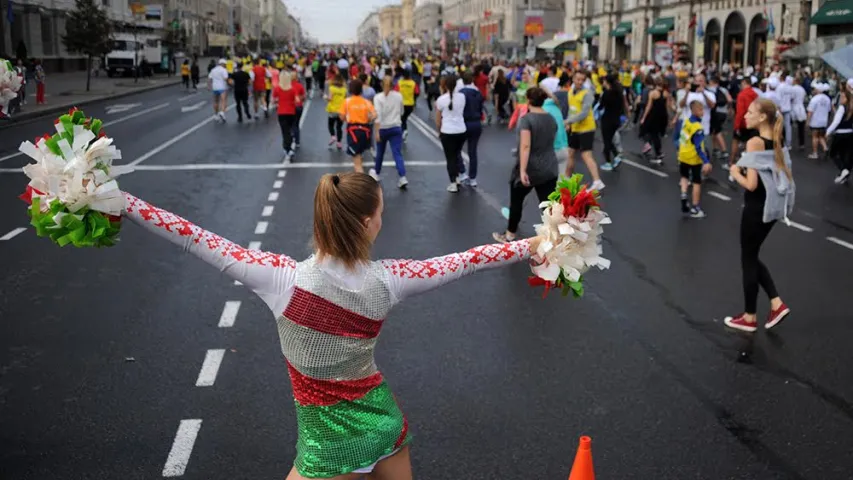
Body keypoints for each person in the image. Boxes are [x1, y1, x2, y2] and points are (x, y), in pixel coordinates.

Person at [120, 173, 540, 480]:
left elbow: (191, 235)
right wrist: (537, 244)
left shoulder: (279, 277)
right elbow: (469, 260)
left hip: (327, 448)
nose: (381, 221)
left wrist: (118, 199)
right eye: (380, 214)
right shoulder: (392, 279)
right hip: (384, 426)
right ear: (364, 223)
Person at [725, 98, 794, 332]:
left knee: (748, 259)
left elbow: (752, 184)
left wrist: (734, 171)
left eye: (750, 112)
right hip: (772, 207)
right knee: (752, 255)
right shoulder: (777, 139)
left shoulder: (754, 142)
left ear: (763, 117)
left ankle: (749, 316)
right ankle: (776, 303)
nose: (745, 115)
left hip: (756, 207)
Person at [492, 87, 560, 243]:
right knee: (548, 205)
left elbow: (525, 146)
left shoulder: (527, 120)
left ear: (529, 100)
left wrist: (522, 170)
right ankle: (555, 236)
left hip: (531, 167)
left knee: (516, 201)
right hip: (549, 166)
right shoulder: (551, 118)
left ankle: (510, 234)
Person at [564, 70, 605, 191]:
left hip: (587, 128)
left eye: (582, 80)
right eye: (578, 79)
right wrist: (569, 123)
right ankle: (566, 178)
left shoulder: (587, 94)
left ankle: (597, 181)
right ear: (573, 79)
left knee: (586, 155)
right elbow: (572, 109)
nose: (580, 82)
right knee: (570, 153)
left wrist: (567, 121)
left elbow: (584, 113)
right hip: (575, 128)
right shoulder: (571, 91)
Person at [678, 100, 713, 218]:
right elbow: (698, 147)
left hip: (683, 154)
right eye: (701, 110)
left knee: (684, 176)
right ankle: (695, 208)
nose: (703, 112)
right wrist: (706, 161)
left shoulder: (686, 122)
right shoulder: (698, 128)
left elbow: (682, 139)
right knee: (697, 182)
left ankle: (683, 195)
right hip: (694, 158)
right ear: (695, 111)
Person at [371, 76, 407, 188]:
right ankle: (402, 177)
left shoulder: (377, 97)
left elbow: (378, 116)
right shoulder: (399, 96)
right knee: (397, 153)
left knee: (380, 152)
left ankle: (376, 172)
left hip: (383, 128)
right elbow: (402, 111)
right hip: (396, 127)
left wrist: (376, 132)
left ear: (382, 85)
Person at [435, 74, 467, 193]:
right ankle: (458, 176)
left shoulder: (441, 100)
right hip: (461, 130)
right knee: (457, 153)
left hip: (448, 131)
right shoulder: (462, 97)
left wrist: (438, 131)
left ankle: (453, 181)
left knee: (450, 158)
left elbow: (438, 119)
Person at [340, 79, 377, 173]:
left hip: (353, 131)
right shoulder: (366, 102)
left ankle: (362, 183)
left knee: (357, 161)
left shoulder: (347, 102)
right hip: (365, 131)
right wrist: (368, 119)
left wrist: (348, 118)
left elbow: (342, 117)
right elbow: (374, 115)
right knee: (360, 155)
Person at [457, 72, 485, 187]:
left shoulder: (461, 93)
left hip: (464, 123)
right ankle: (473, 178)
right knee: (472, 152)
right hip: (476, 123)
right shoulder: (477, 93)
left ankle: (462, 172)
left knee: (457, 149)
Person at [599, 74, 629, 171]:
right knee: (610, 140)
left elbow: (601, 106)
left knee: (606, 141)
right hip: (616, 120)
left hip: (607, 119)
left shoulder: (607, 93)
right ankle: (616, 157)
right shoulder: (618, 93)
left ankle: (608, 162)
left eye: (604, 81)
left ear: (607, 82)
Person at [274, 70, 305, 162]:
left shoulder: (277, 88)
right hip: (291, 112)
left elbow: (274, 99)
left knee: (284, 131)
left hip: (281, 112)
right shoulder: (292, 89)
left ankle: (287, 148)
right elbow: (297, 100)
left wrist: (280, 101)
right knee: (291, 129)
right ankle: (288, 147)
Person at [827, 90, 853, 184]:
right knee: (846, 155)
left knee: (833, 154)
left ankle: (843, 170)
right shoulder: (851, 108)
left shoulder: (842, 108)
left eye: (842, 97)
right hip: (850, 134)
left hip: (840, 134)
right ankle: (844, 174)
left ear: (847, 98)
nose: (841, 99)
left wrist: (828, 132)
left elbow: (836, 122)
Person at [807, 82, 832, 159]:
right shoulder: (827, 99)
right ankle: (825, 148)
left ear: (817, 90)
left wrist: (807, 121)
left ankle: (815, 153)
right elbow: (829, 110)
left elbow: (810, 111)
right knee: (821, 136)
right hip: (823, 121)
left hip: (815, 121)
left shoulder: (814, 99)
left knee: (815, 137)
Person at [395, 70, 419, 142]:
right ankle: (403, 131)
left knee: (401, 119)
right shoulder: (413, 83)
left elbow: (395, 92)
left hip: (401, 104)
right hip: (410, 104)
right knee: (404, 118)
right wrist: (414, 99)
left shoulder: (399, 83)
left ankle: (403, 131)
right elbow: (417, 93)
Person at [325, 74, 347, 151]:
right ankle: (339, 142)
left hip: (332, 110)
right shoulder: (344, 90)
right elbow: (345, 99)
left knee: (330, 124)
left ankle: (333, 136)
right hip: (341, 110)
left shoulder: (332, 88)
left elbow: (330, 98)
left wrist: (325, 97)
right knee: (339, 127)